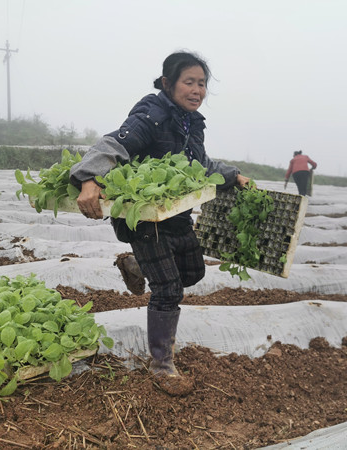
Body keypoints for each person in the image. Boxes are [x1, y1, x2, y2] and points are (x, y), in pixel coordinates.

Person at [70, 51, 250, 396]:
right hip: (146, 217)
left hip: (176, 215)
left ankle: (137, 265)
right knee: (168, 290)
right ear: (168, 83)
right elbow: (114, 143)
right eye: (189, 82)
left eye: (202, 84)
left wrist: (233, 175)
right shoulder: (151, 114)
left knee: (194, 272)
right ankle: (162, 365)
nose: (197, 90)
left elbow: (202, 164)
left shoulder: (191, 124)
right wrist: (89, 178)